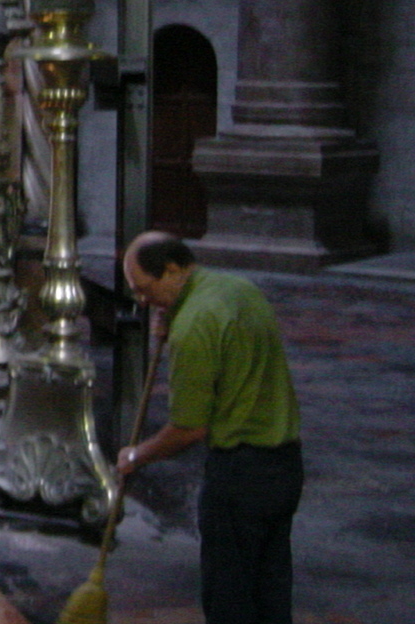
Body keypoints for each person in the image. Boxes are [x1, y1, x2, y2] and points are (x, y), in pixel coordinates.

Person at [116, 231, 303, 624]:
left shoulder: (194, 326)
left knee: (229, 598)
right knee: (270, 590)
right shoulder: (238, 289)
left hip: (240, 477)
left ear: (171, 270)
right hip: (285, 466)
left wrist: (137, 455)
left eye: (145, 290)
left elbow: (188, 429)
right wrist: (167, 324)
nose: (143, 302)